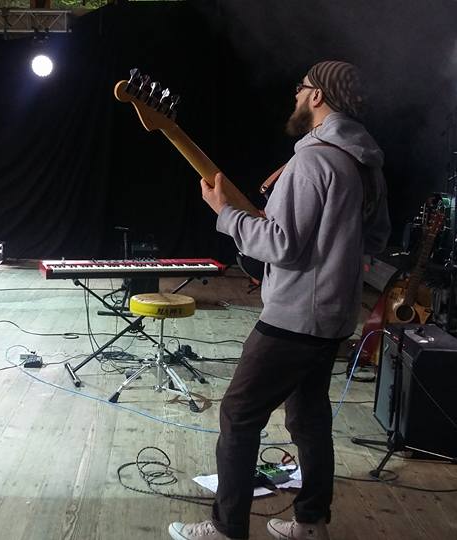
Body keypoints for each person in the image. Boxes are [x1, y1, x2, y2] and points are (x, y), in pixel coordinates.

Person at [168, 61, 391, 540]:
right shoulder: (366, 162)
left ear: (318, 96)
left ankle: (227, 529)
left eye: (301, 88)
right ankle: (311, 523)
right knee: (309, 418)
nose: (296, 95)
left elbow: (282, 244)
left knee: (239, 414)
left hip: (295, 318)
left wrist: (226, 213)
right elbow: (376, 238)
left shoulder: (313, 161)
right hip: (336, 315)